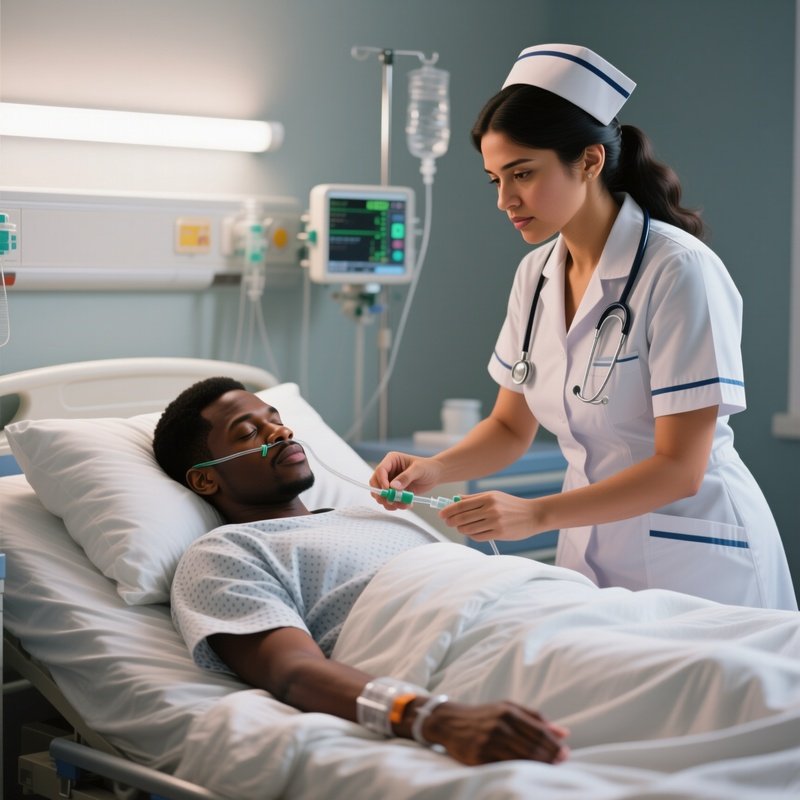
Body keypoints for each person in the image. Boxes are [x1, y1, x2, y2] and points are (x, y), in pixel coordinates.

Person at [370, 43, 797, 611]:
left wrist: (537, 512)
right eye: (494, 179)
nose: (505, 200)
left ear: (591, 161)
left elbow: (680, 469)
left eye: (522, 173)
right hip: (590, 553)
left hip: (696, 562)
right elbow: (508, 426)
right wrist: (436, 469)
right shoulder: (537, 274)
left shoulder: (678, 270)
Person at [153, 377, 570, 766]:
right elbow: (292, 673)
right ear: (205, 481)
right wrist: (431, 718)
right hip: (482, 654)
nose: (280, 434)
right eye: (248, 433)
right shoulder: (226, 553)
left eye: (276, 420)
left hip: (553, 611)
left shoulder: (372, 516)